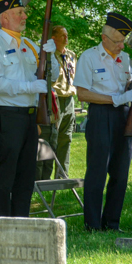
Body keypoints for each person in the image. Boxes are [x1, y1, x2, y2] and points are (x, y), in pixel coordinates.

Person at [0, 0, 58, 217]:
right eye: (19, 13)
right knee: (7, 171)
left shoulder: (30, 45)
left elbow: (53, 77)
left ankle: (22, 220)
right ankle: (2, 221)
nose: (25, 16)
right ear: (5, 17)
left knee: (26, 173)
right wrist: (29, 87)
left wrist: (52, 56)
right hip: (9, 115)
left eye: (24, 12)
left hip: (30, 117)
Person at [75, 12, 132, 232]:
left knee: (120, 172)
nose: (121, 46)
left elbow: (129, 87)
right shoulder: (89, 57)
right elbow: (82, 93)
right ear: (104, 38)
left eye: (123, 41)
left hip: (123, 116)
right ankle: (92, 224)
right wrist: (115, 99)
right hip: (100, 115)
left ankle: (112, 223)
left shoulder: (124, 58)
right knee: (97, 171)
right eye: (117, 41)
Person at [37, 26, 77, 180]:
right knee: (51, 138)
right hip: (54, 99)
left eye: (67, 35)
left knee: (66, 137)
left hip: (69, 99)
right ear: (53, 38)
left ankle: (62, 175)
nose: (66, 38)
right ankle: (43, 177)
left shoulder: (71, 55)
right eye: (62, 35)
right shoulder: (49, 55)